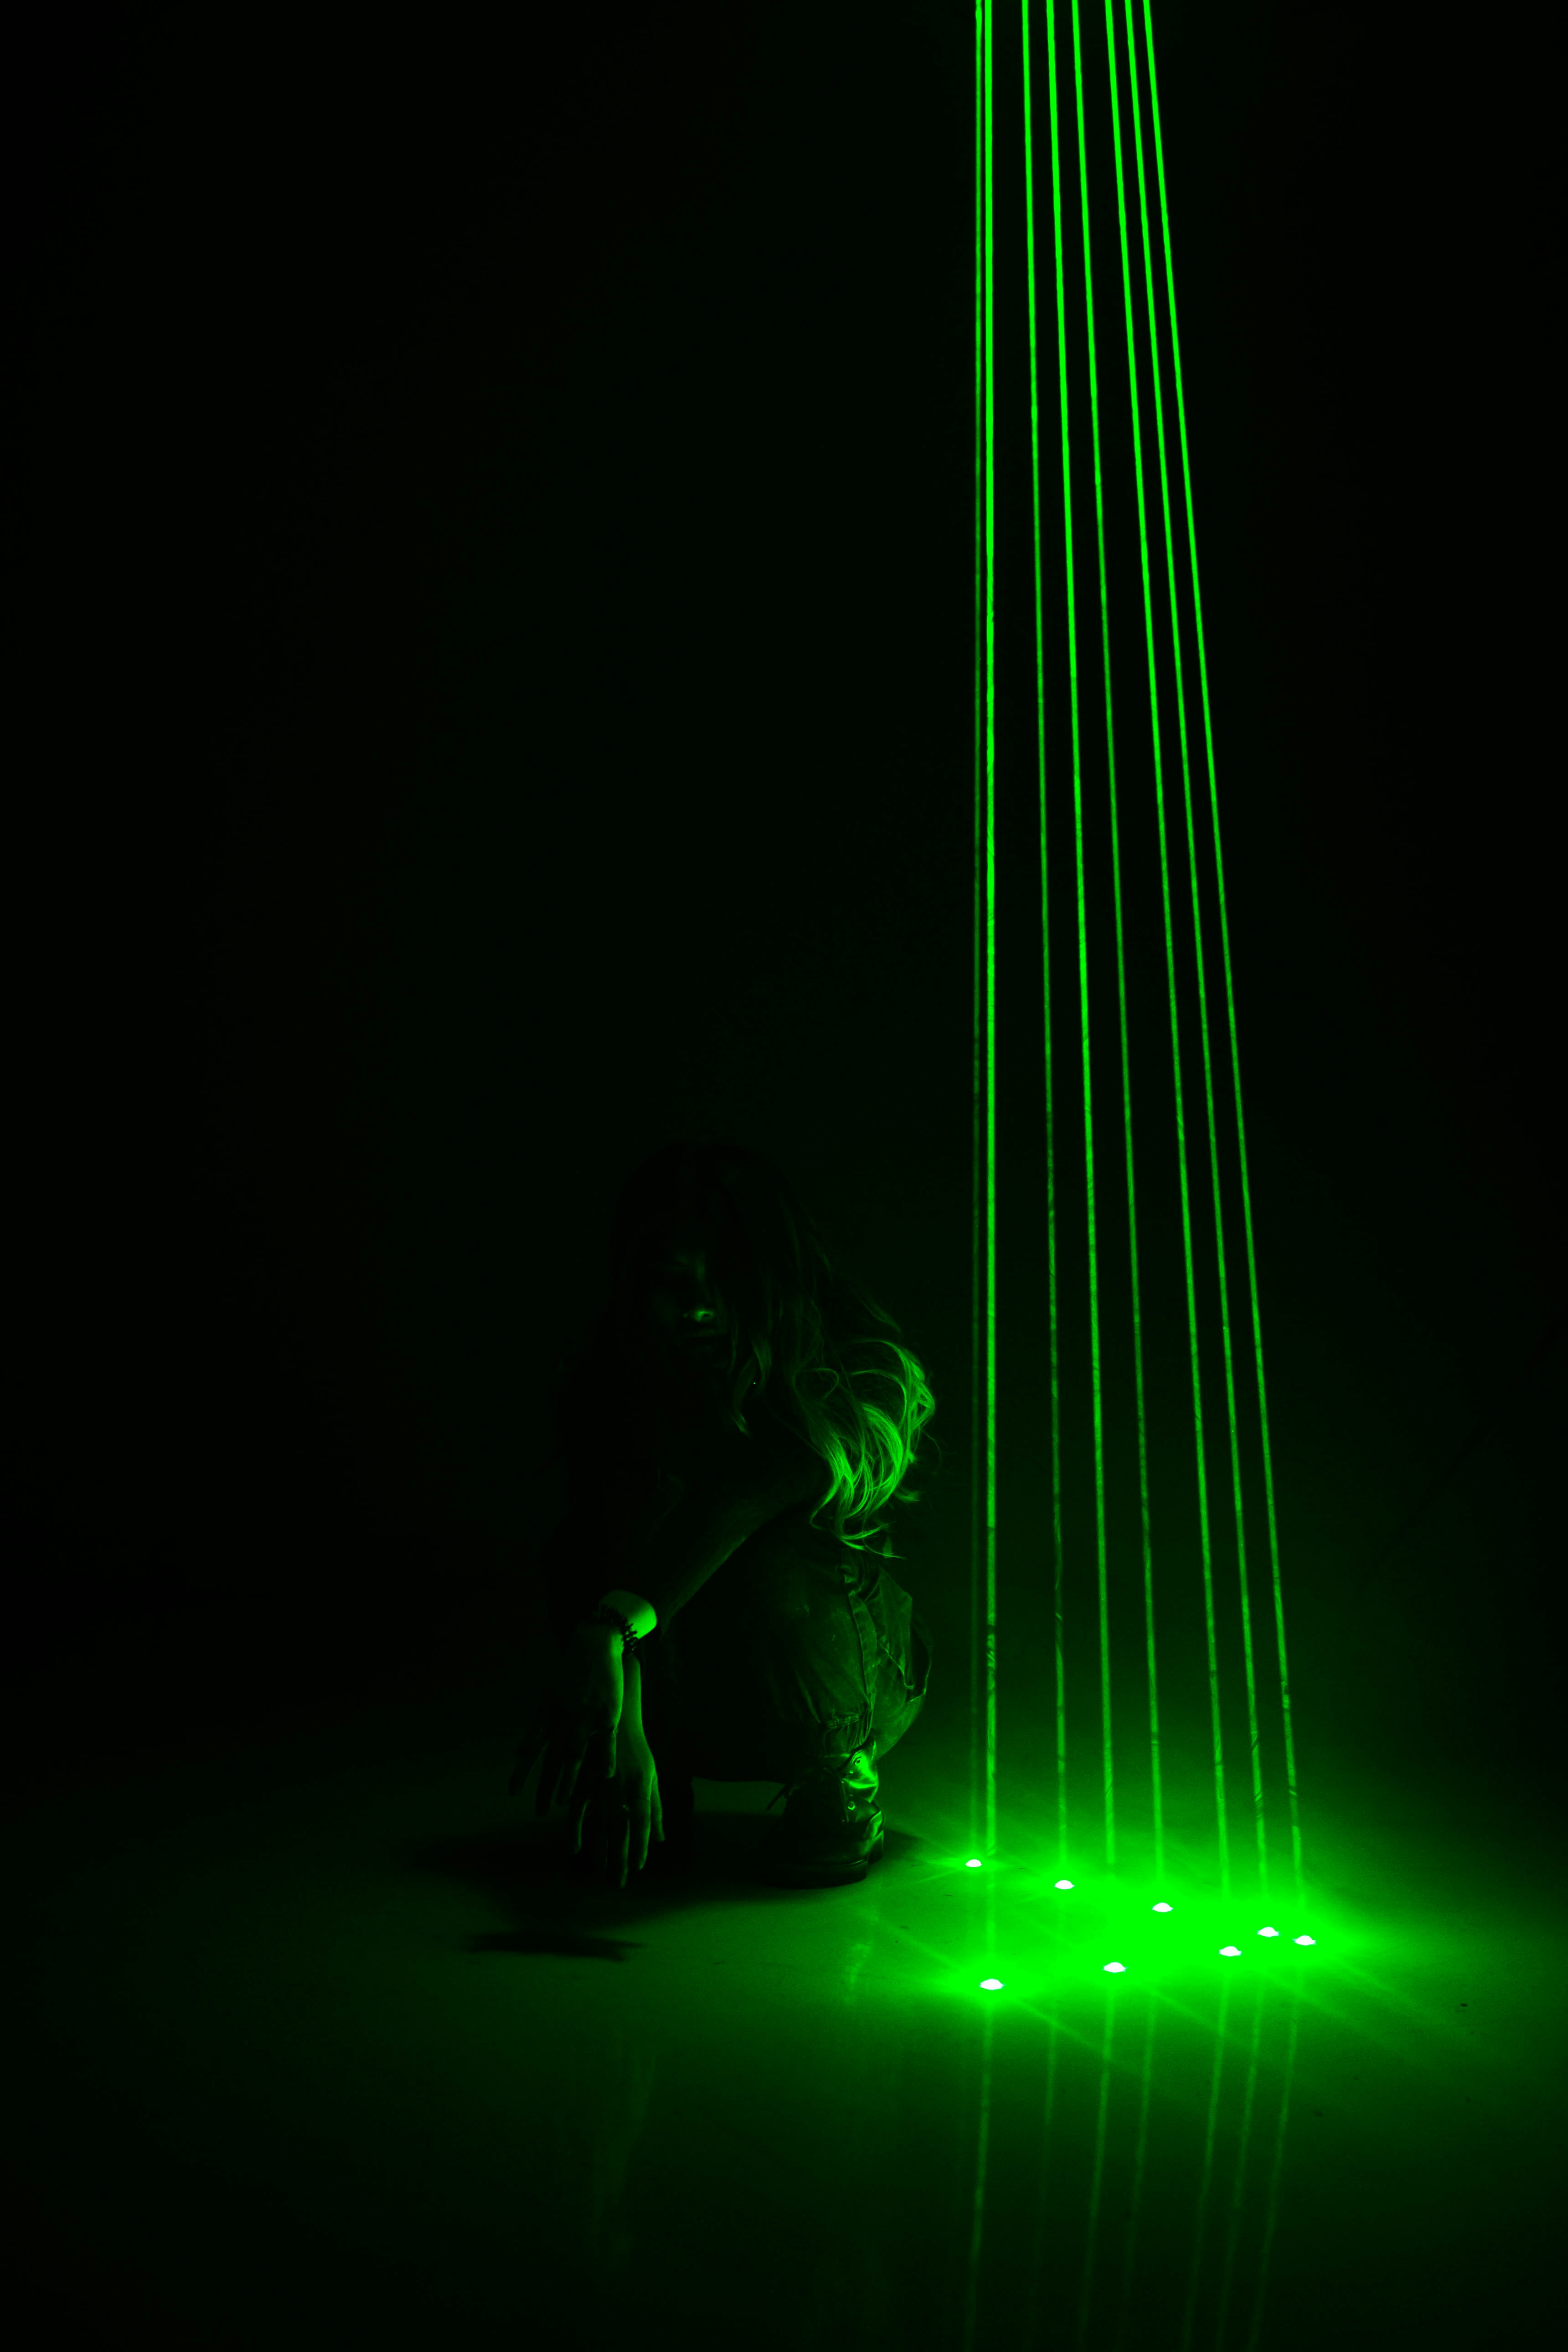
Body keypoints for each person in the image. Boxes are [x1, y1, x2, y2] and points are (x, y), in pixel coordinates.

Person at [510, 1142, 937, 1890]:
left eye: (727, 1281)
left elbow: (747, 1493)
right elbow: (603, 1537)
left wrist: (612, 1628)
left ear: (772, 1276)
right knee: (588, 1540)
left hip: (836, 1680)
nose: (701, 1306)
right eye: (673, 1282)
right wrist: (626, 1727)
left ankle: (837, 1778)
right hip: (686, 1675)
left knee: (769, 1548)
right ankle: (647, 1784)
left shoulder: (856, 1365)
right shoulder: (614, 1377)